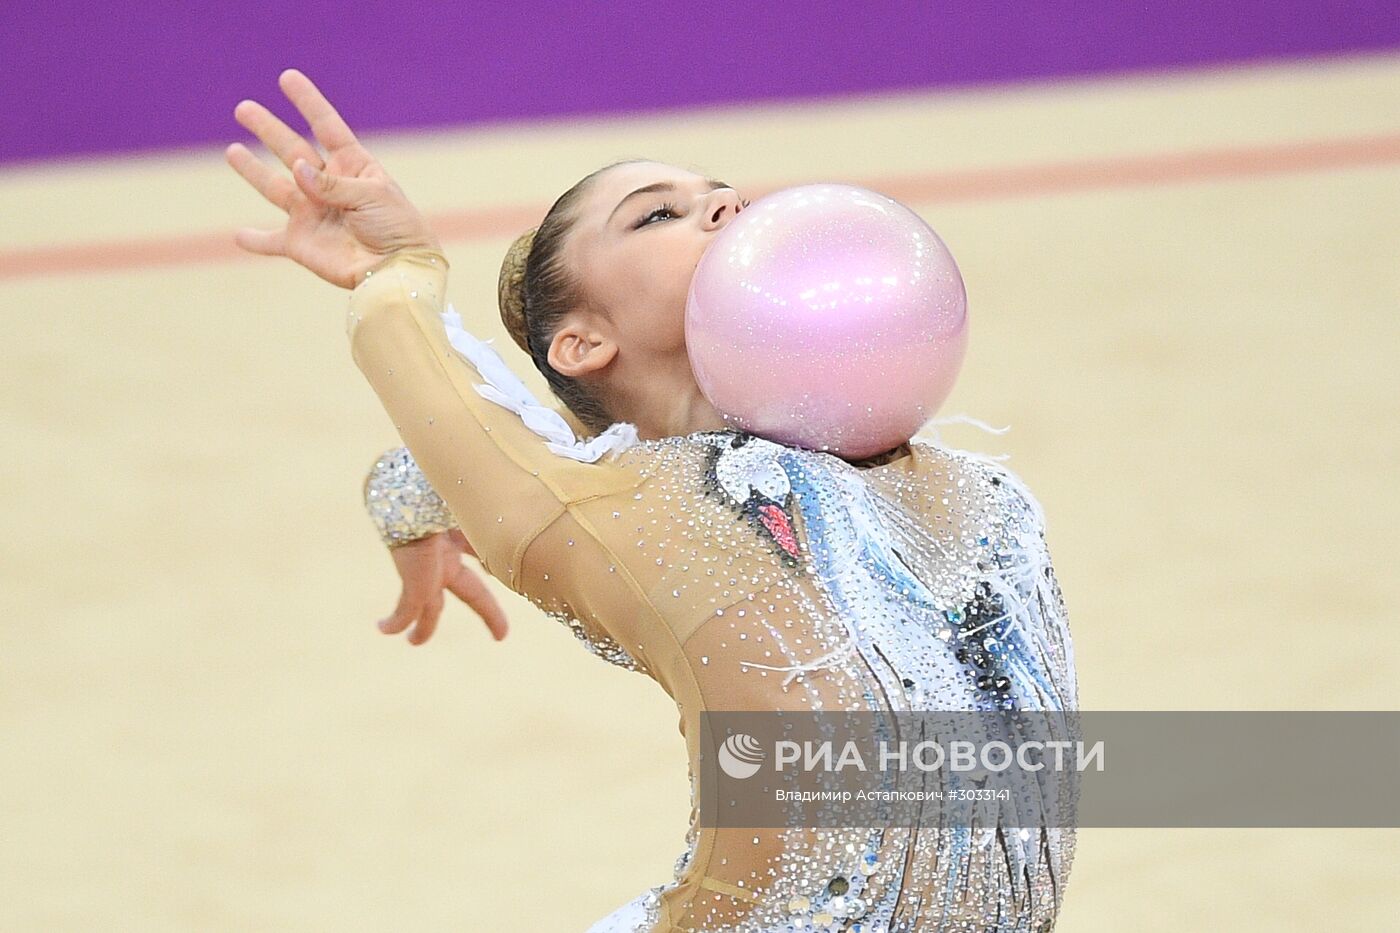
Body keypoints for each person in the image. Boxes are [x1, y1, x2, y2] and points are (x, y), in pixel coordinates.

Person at [227, 69, 1079, 933]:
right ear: (583, 341)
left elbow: (502, 456)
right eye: (656, 214)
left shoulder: (975, 490)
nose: (727, 205)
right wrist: (392, 273)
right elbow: (501, 451)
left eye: (721, 196)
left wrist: (411, 499)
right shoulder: (653, 513)